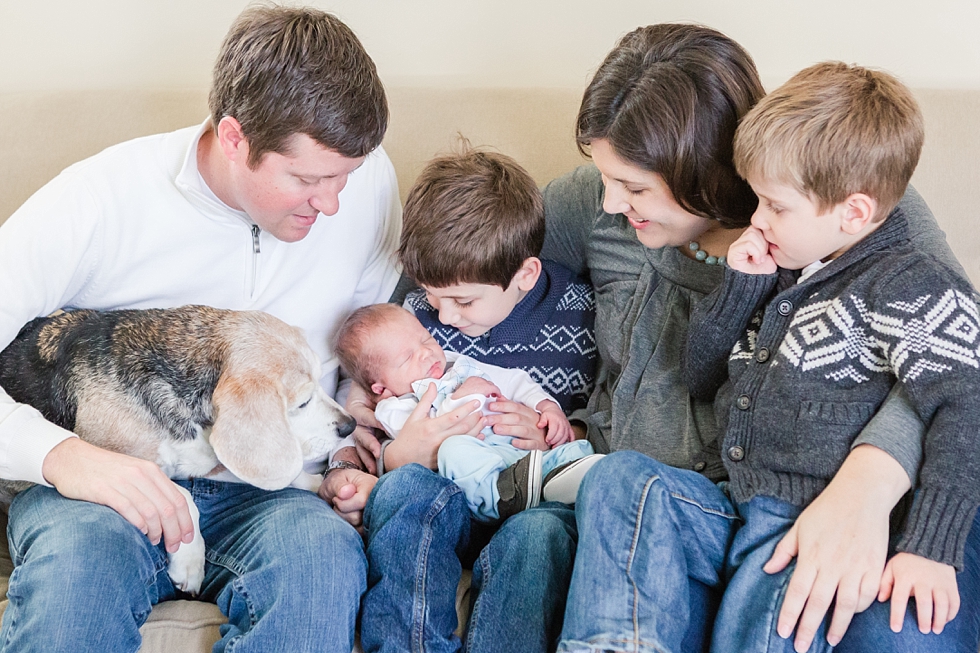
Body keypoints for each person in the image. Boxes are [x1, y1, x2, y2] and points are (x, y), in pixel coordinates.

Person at [542, 24, 980, 653]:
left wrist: (867, 493)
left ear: (715, 169)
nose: (612, 203)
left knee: (888, 625)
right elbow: (461, 276)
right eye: (605, 176)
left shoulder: (844, 213)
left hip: (819, 504)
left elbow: (958, 370)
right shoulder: (590, 203)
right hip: (683, 513)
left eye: (636, 187)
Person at [0, 7, 399, 652]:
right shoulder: (99, 201)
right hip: (103, 489)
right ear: (234, 137)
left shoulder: (370, 184)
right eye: (305, 179)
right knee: (76, 581)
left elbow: (367, 334)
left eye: (343, 179)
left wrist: (362, 418)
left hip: (273, 488)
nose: (330, 204)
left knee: (323, 564)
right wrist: (63, 457)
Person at [681, 61, 978, 651]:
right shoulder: (787, 271)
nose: (757, 220)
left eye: (774, 205)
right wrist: (741, 288)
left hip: (871, 518)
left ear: (854, 212)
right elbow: (699, 376)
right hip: (760, 510)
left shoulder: (913, 282)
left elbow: (966, 410)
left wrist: (930, 545)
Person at [352, 150, 598, 652]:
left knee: (540, 538)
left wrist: (563, 430)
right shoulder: (414, 315)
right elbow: (372, 404)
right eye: (432, 296)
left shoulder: (578, 313)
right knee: (405, 496)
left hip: (530, 499)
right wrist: (394, 458)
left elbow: (602, 408)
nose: (443, 318)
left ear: (526, 275)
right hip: (446, 495)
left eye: (463, 301)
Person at [335, 302, 599, 522]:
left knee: (570, 450)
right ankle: (498, 501)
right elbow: (431, 436)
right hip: (474, 471)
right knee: (454, 451)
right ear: (380, 387)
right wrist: (461, 397)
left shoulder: (457, 364)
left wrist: (546, 406)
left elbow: (515, 380)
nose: (426, 353)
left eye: (426, 339)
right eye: (407, 358)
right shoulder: (393, 409)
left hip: (509, 450)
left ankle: (564, 472)